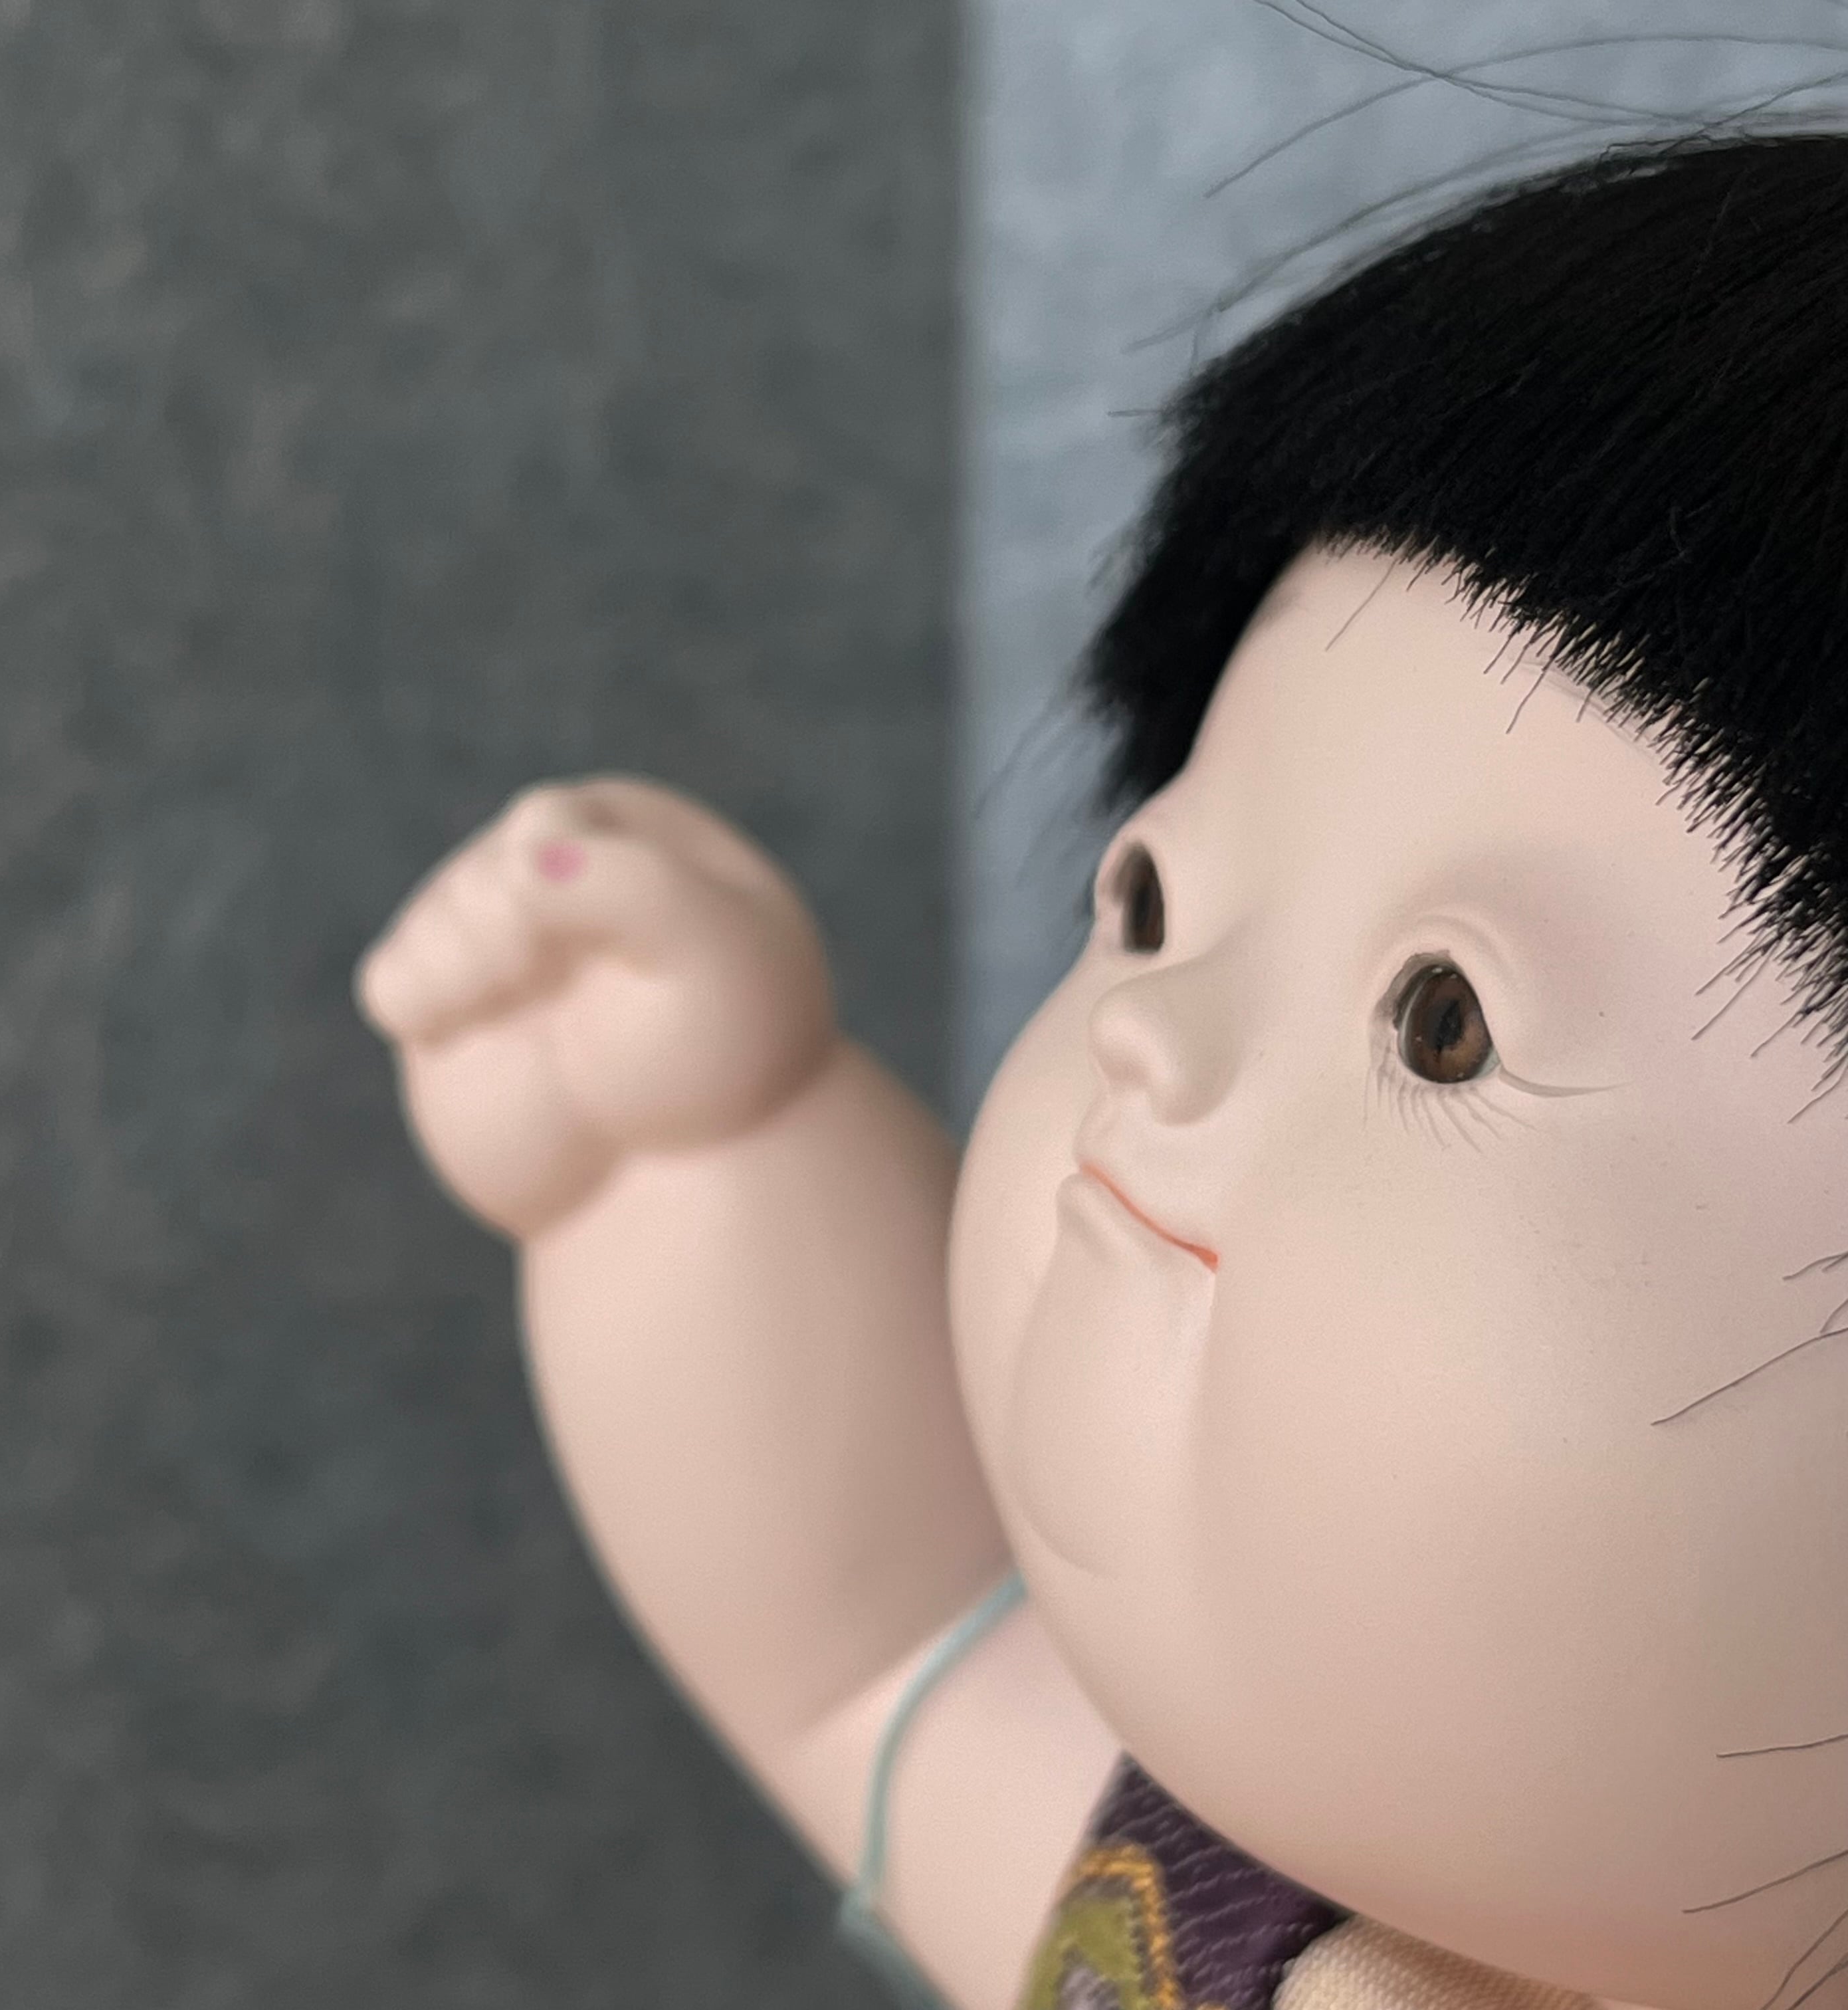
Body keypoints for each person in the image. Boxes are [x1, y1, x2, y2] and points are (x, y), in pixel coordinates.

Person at [356, 135, 1848, 2010]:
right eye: (1151, 898)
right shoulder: (1201, 1909)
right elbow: (878, 1658)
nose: (1149, 1030)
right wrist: (686, 1160)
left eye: (1444, 1025)